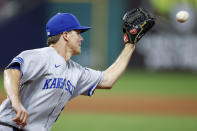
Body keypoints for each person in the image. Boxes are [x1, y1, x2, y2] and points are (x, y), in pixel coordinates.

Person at [0, 12, 135, 131]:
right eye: (77, 33)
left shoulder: (75, 71)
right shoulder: (42, 56)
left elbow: (108, 80)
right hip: (7, 126)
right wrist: (16, 103)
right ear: (65, 35)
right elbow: (11, 72)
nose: (81, 38)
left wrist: (130, 44)